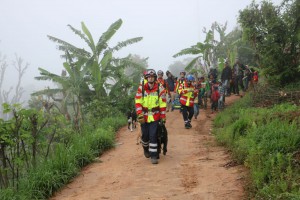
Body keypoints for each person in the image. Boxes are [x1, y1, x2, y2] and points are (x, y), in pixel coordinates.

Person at [135, 69, 167, 164]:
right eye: (149, 77)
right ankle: (145, 149)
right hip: (144, 117)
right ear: (146, 78)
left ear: (155, 78)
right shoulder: (142, 88)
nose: (151, 79)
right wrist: (139, 113)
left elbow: (162, 103)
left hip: (155, 116)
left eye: (152, 77)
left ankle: (154, 156)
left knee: (153, 135)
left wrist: (163, 116)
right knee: (145, 136)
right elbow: (138, 101)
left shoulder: (160, 88)